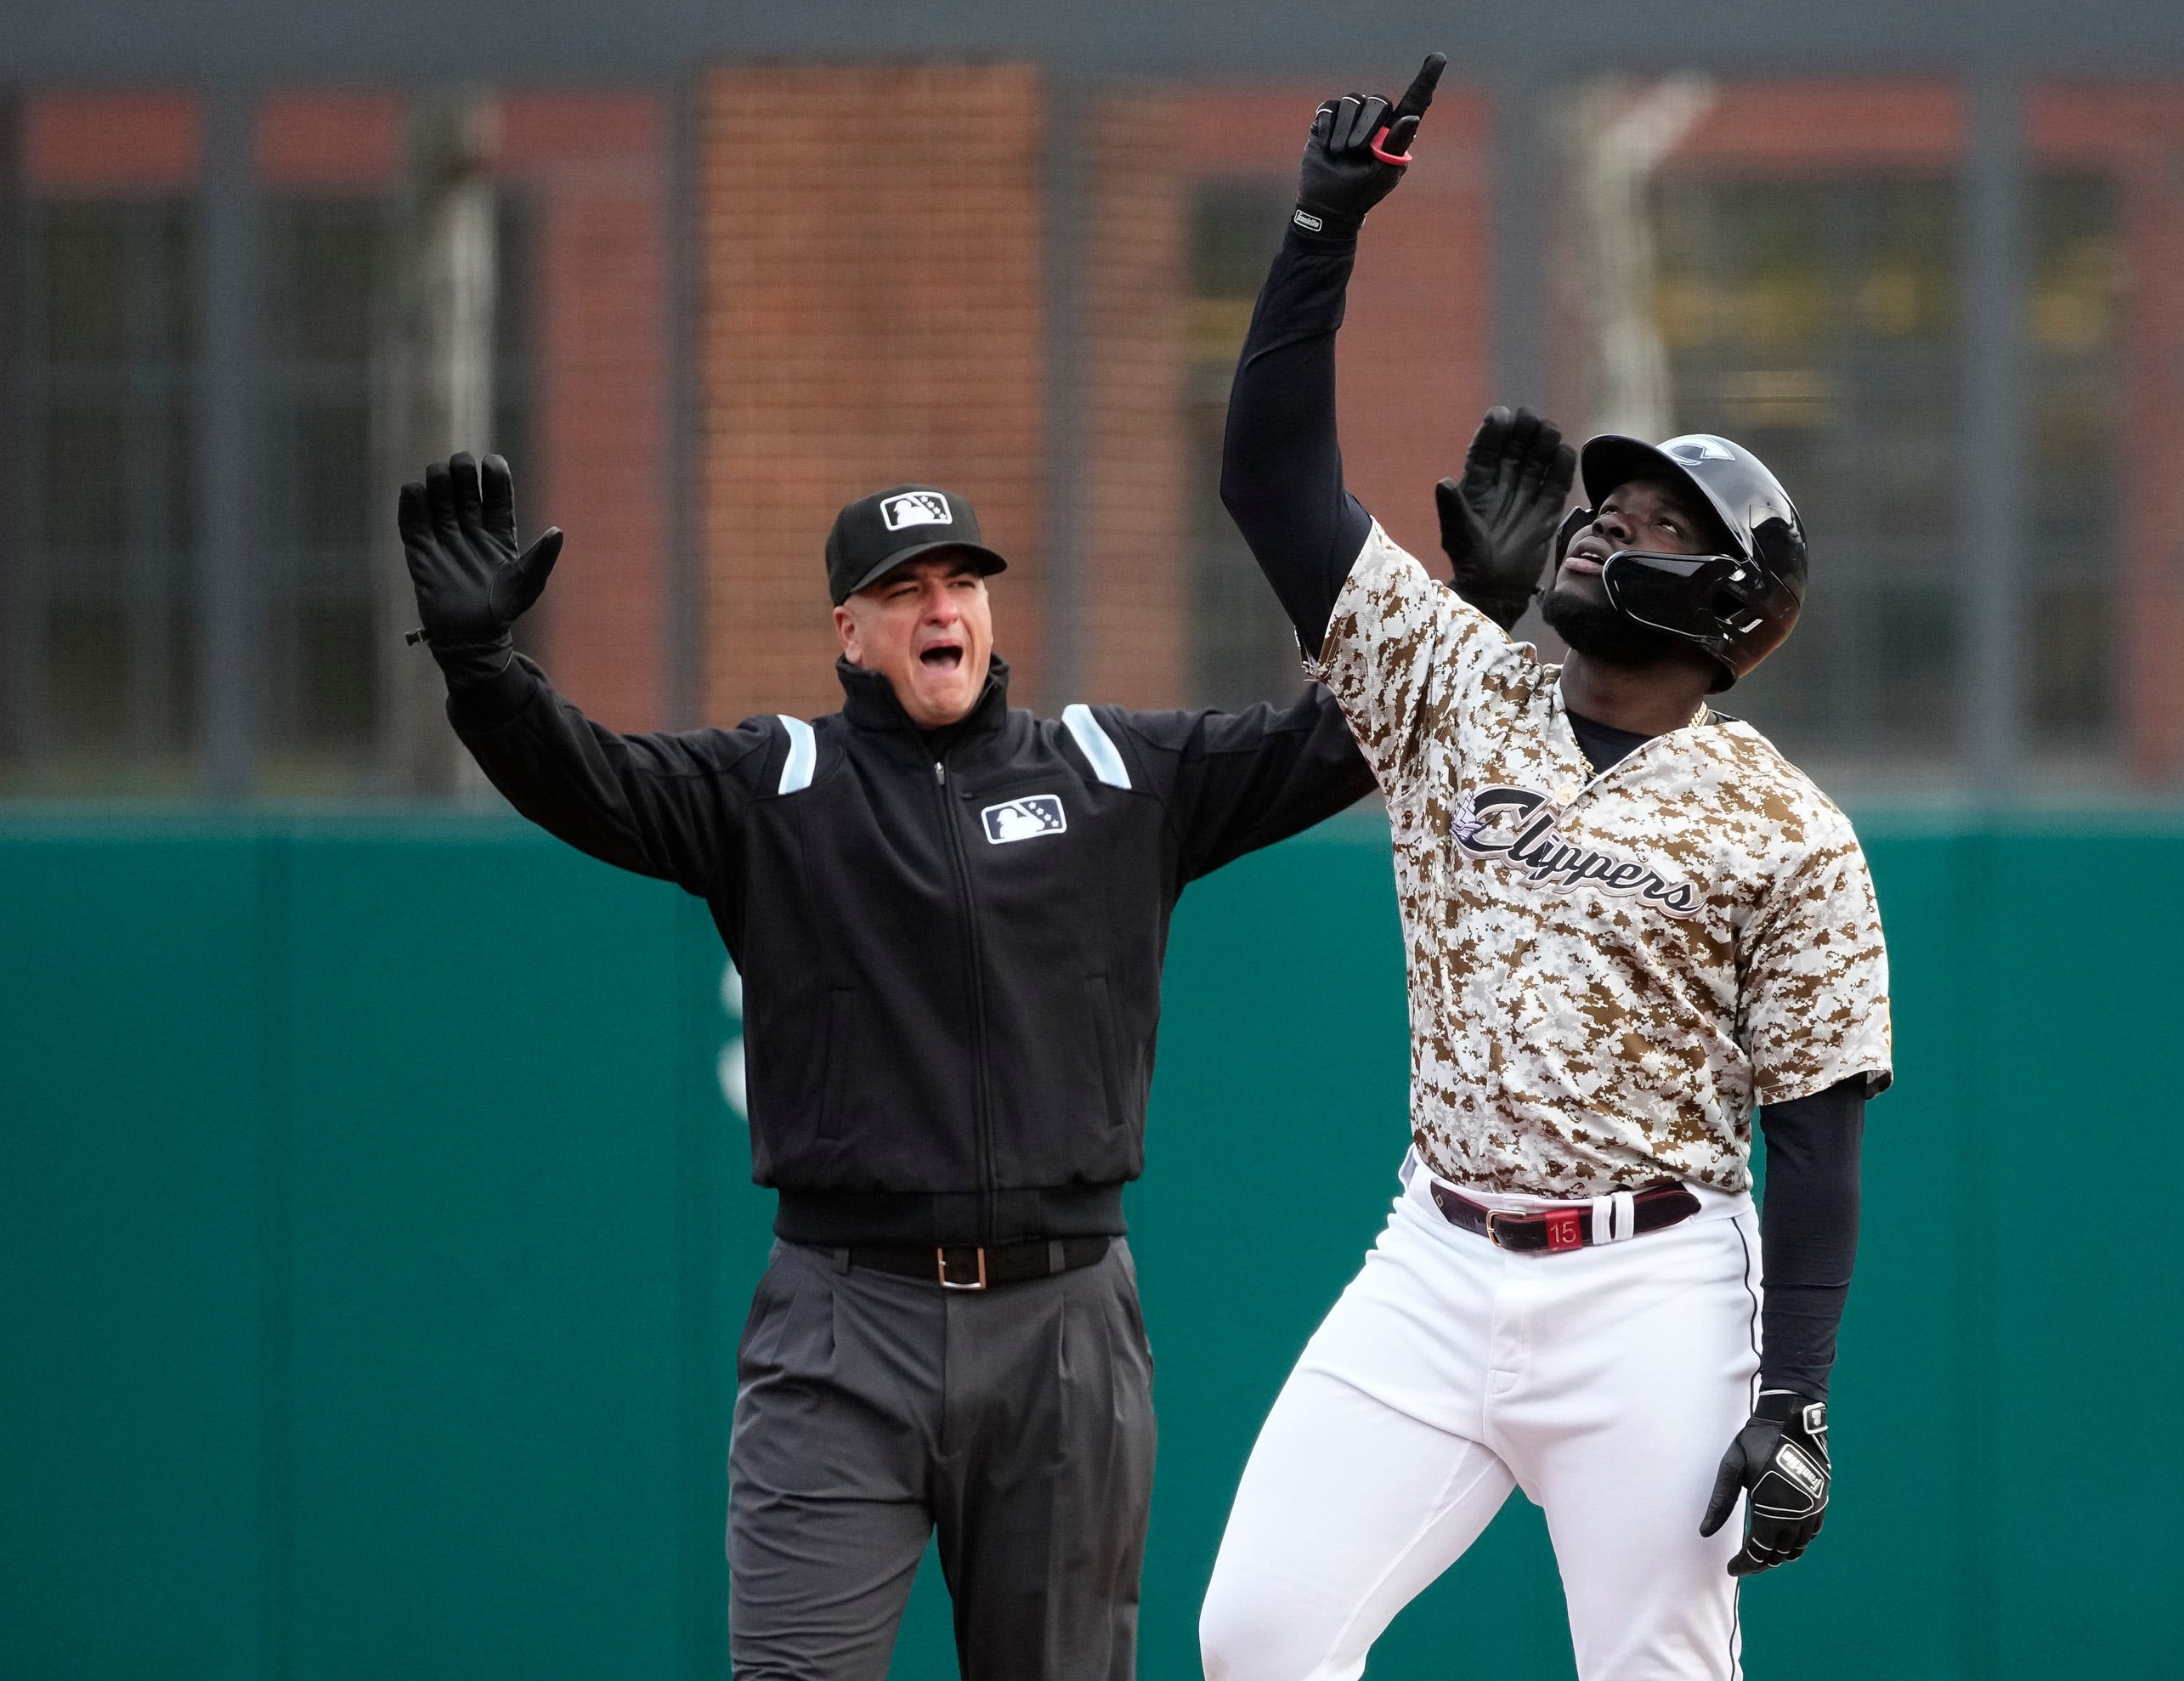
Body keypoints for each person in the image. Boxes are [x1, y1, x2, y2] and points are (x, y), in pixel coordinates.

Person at [392, 431, 1569, 1679]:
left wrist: (1475, 609)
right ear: (849, 632)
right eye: (902, 588)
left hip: (1063, 1328)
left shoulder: (1114, 771)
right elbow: (591, 784)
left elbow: (1332, 742)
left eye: (960, 581)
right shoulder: (773, 785)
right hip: (844, 1320)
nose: (938, 607)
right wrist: (481, 666)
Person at [1197, 58, 1893, 1680]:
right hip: (1432, 1259)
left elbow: (1819, 1143)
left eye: (1657, 522)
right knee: (1258, 1639)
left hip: (1651, 1290)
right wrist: (1319, 228)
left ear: (1734, 609)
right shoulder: (1457, 687)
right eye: (1608, 503)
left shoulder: (1785, 826)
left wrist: (1796, 1396)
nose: (1601, 525)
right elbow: (1271, 485)